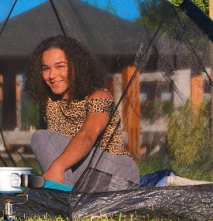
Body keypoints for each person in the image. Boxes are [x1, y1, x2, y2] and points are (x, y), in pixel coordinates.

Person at [24, 35, 140, 190]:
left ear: (76, 66)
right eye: (46, 69)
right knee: (45, 141)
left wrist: (58, 166)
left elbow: (88, 135)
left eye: (60, 66)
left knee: (40, 137)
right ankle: (65, 197)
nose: (52, 75)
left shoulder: (100, 96)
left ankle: (62, 199)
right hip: (83, 179)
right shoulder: (50, 103)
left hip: (117, 174)